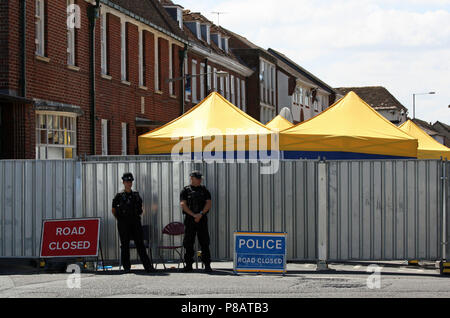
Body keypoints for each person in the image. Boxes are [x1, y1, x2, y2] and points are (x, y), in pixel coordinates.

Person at [112, 172, 154, 273]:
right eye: (126, 181)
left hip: (135, 222)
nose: (128, 183)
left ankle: (148, 267)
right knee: (125, 245)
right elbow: (113, 210)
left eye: (130, 181)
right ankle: (126, 267)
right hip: (123, 223)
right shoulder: (119, 196)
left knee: (140, 244)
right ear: (123, 182)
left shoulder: (136, 195)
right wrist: (120, 219)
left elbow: (141, 207)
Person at [180, 171, 212, 272]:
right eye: (197, 178)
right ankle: (189, 265)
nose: (199, 180)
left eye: (200, 178)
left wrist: (201, 214)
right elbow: (183, 205)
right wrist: (194, 215)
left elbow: (208, 203)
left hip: (202, 219)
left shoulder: (204, 190)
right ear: (191, 178)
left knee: (204, 242)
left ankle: (207, 264)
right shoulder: (185, 190)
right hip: (190, 219)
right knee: (188, 243)